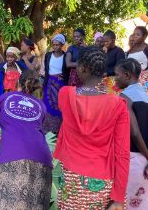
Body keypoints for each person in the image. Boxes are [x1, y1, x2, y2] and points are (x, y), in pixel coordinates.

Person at [53, 46, 129, 210]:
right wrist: (118, 198)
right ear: (103, 73)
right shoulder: (117, 104)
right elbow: (122, 153)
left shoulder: (65, 94)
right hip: (103, 183)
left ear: (81, 68)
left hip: (71, 182)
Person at [0, 70, 52, 210]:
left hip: (13, 159)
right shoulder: (41, 106)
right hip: (43, 160)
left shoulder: (5, 97)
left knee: (8, 204)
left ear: (18, 82)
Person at [114, 58, 148, 210]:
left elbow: (134, 132)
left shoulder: (124, 98)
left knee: (127, 203)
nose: (115, 78)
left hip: (130, 160)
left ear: (127, 75)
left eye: (117, 75)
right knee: (144, 203)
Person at [42, 34, 69, 134]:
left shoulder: (65, 56)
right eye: (54, 45)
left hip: (60, 85)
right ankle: (46, 128)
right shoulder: (48, 55)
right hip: (49, 84)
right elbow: (46, 69)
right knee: (47, 104)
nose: (55, 47)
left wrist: (62, 77)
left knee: (59, 106)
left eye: (57, 45)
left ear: (62, 45)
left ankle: (58, 129)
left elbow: (67, 71)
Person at [126, 26, 148, 100]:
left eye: (138, 35)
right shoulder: (131, 50)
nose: (135, 36)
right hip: (132, 82)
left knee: (144, 103)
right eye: (134, 34)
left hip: (144, 83)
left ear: (144, 37)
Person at [102, 30, 125, 94]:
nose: (105, 43)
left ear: (113, 40)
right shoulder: (105, 51)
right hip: (103, 80)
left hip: (114, 81)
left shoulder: (119, 51)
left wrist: (107, 73)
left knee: (112, 99)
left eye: (107, 41)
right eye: (104, 41)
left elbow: (120, 68)